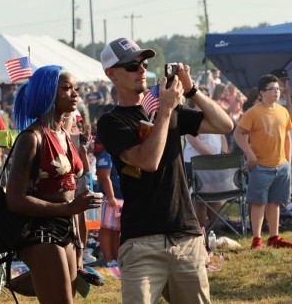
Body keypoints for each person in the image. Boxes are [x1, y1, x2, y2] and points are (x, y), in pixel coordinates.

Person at [97, 37, 233, 304]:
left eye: (144, 63)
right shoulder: (111, 122)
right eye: (131, 65)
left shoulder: (168, 111)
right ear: (111, 74)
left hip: (185, 235)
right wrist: (166, 111)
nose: (141, 70)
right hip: (141, 242)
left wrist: (191, 89)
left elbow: (224, 124)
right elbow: (148, 161)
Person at [5, 65, 99, 304]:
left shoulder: (64, 134)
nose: (75, 93)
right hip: (39, 230)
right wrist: (67, 209)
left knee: (67, 297)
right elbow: (14, 199)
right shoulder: (31, 138)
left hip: (66, 229)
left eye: (76, 88)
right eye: (66, 88)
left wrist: (78, 240)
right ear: (48, 92)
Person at [233, 74, 292, 249]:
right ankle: (257, 239)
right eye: (273, 89)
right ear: (262, 93)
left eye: (278, 89)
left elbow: (287, 135)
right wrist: (249, 153)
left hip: (281, 166)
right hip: (260, 166)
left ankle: (274, 237)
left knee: (275, 202)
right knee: (258, 203)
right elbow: (238, 134)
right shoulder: (253, 112)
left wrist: (288, 159)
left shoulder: (283, 111)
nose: (277, 92)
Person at [183, 98, 229, 229]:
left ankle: (214, 230)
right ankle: (201, 231)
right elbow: (193, 141)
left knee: (215, 197)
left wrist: (223, 154)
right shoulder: (190, 115)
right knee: (200, 199)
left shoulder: (213, 115)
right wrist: (213, 156)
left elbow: (223, 136)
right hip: (196, 163)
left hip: (215, 163)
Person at [95, 149, 123, 268]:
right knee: (106, 230)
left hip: (120, 199)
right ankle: (107, 259)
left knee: (116, 231)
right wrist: (111, 197)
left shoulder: (120, 153)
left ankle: (116, 258)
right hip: (109, 199)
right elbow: (104, 177)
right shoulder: (106, 155)